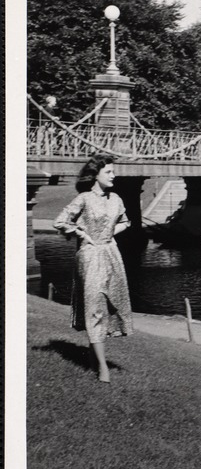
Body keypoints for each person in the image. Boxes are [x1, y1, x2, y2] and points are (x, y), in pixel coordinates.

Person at [52, 153, 133, 383]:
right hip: (89, 257)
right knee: (95, 305)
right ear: (95, 175)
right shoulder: (84, 198)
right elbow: (60, 221)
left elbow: (126, 222)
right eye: (108, 172)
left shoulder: (116, 198)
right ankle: (103, 369)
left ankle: (92, 359)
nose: (113, 176)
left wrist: (109, 235)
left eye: (113, 171)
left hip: (111, 254)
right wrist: (82, 234)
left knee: (106, 306)